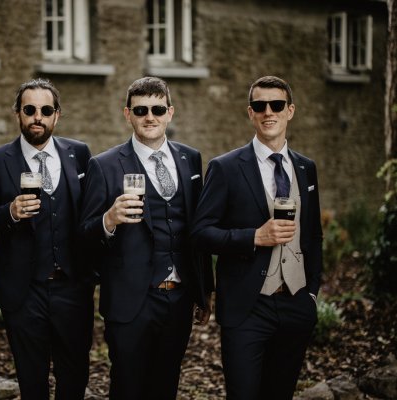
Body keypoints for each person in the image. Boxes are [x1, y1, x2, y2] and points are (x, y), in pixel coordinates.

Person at [79, 76, 213, 400]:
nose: (149, 117)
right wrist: (108, 219)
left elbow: (199, 228)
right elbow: (83, 236)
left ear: (170, 112)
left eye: (157, 109)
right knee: (128, 387)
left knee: (166, 385)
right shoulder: (104, 165)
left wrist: (204, 289)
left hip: (179, 297)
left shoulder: (190, 160)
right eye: (141, 110)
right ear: (128, 114)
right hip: (130, 302)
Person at [191, 75, 323, 400]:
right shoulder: (226, 167)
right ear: (250, 113)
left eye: (276, 105)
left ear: (290, 111)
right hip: (247, 307)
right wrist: (254, 236)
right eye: (259, 106)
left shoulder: (306, 168)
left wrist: (312, 295)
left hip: (295, 304)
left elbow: (314, 236)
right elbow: (201, 233)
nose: (268, 112)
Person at [0, 78, 94, 399]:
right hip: (23, 293)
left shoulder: (79, 154)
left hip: (73, 287)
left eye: (45, 110)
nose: (37, 117)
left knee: (75, 375)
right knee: (32, 380)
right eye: (29, 109)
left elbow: (90, 214)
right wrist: (9, 211)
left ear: (57, 115)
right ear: (18, 114)